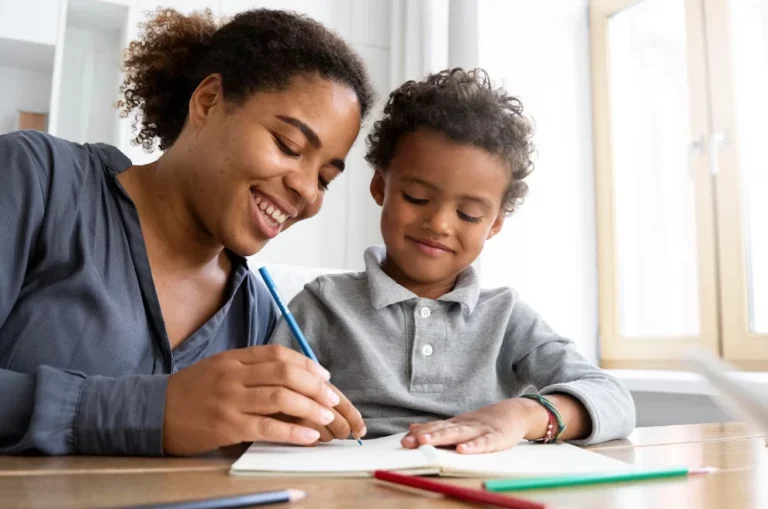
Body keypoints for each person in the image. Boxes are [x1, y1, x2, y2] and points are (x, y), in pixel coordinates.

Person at [0, 7, 374, 456]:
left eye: (325, 179)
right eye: (288, 146)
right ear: (208, 101)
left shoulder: (255, 314)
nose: (306, 191)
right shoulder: (38, 180)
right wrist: (150, 411)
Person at [270, 68, 636, 453]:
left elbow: (614, 399)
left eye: (469, 215)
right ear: (380, 186)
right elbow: (270, 410)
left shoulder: (507, 317)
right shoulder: (323, 305)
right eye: (416, 197)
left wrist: (522, 416)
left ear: (494, 224)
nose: (439, 224)